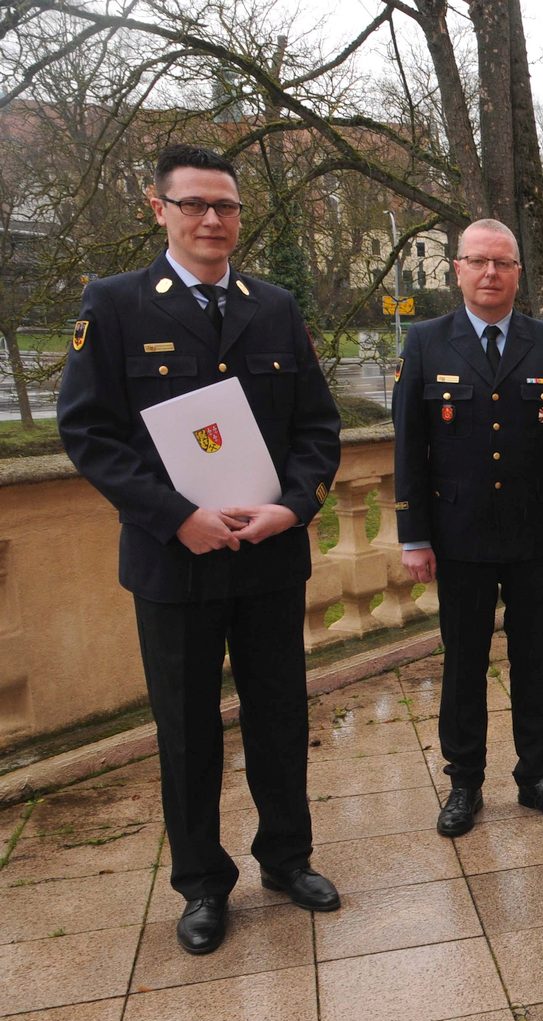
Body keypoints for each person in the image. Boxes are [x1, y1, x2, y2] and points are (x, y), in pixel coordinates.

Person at [57, 144, 342, 954]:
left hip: (268, 558)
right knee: (186, 730)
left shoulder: (275, 306)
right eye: (194, 205)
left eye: (226, 207)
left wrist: (293, 508)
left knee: (280, 716)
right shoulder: (113, 305)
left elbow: (318, 431)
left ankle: (288, 860)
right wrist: (174, 515)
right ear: (160, 209)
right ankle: (202, 885)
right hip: (172, 561)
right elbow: (89, 434)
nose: (213, 220)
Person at [393, 218, 543, 836]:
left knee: (535, 658)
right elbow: (409, 447)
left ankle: (536, 776)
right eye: (477, 261)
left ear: (518, 273)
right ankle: (464, 781)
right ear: (457, 269)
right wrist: (414, 536)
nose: (489, 273)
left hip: (533, 533)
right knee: (465, 661)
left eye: (502, 263)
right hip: (459, 537)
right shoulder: (426, 342)